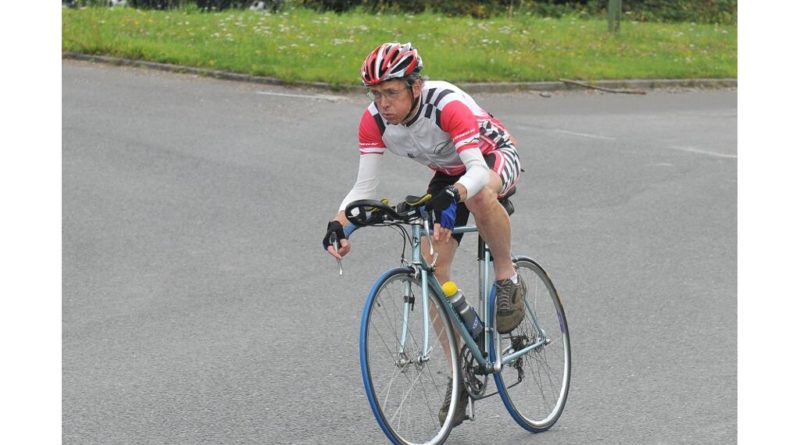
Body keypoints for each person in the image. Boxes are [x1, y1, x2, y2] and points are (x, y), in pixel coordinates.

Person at [322, 42, 526, 426]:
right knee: (433, 271)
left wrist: (456, 195)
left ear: (415, 86)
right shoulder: (374, 121)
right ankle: (459, 375)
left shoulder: (446, 104)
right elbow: (364, 187)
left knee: (478, 195)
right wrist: (340, 224)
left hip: (491, 157)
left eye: (391, 92)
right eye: (375, 94)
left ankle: (508, 278)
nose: (383, 103)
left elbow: (475, 171)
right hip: (449, 173)